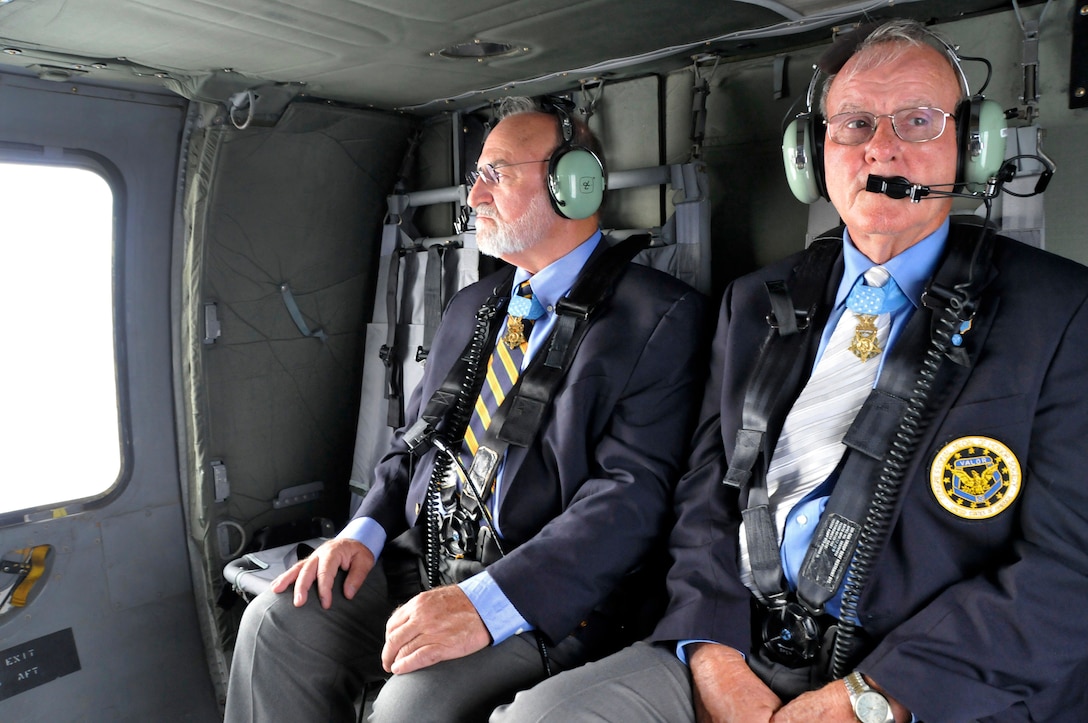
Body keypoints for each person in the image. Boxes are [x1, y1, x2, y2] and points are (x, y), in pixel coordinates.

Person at [495, 19, 1088, 723]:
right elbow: (705, 495)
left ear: (974, 146)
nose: (882, 146)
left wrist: (874, 696)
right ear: (812, 155)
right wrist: (711, 649)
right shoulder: (754, 302)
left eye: (919, 121)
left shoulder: (1061, 313)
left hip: (932, 680)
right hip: (738, 642)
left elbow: (1067, 570)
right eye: (855, 123)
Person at [223, 96, 706, 721]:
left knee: (412, 706)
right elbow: (413, 443)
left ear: (573, 185)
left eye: (495, 175)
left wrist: (486, 601)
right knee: (275, 624)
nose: (473, 196)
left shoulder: (660, 317)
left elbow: (631, 497)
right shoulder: (471, 306)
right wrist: (361, 533)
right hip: (424, 558)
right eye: (474, 176)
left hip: (547, 600)